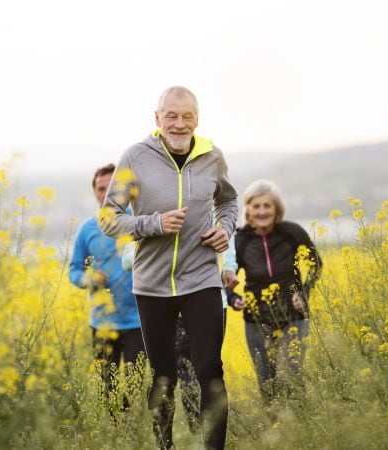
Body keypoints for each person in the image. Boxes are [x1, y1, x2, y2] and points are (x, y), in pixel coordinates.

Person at [99, 86, 237, 450]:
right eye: (171, 116)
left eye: (187, 116)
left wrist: (225, 229)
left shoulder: (212, 156)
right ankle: (166, 447)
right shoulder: (135, 157)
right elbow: (109, 218)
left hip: (202, 279)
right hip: (152, 285)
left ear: (197, 119)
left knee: (210, 370)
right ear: (157, 119)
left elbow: (229, 201)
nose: (179, 124)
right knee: (164, 377)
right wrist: (152, 224)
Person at [222, 179, 322, 403]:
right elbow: (226, 276)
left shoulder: (292, 233)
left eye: (267, 205)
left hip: (292, 316)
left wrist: (303, 293)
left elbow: (316, 264)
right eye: (256, 206)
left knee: (292, 374)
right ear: (248, 209)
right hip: (257, 320)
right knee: (267, 382)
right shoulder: (240, 240)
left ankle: (301, 426)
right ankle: (276, 431)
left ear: (276, 208)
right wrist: (232, 297)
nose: (262, 211)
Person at [122, 241, 230, 435]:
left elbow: (229, 244)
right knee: (164, 377)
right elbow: (127, 258)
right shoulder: (146, 215)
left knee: (208, 371)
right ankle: (168, 442)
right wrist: (157, 245)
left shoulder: (205, 212)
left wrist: (228, 266)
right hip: (158, 296)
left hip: (203, 294)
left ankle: (204, 438)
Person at [69, 164, 144, 407]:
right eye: (101, 189)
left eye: (112, 188)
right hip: (101, 324)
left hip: (138, 322)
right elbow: (74, 270)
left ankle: (131, 437)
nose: (106, 194)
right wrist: (88, 280)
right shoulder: (87, 230)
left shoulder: (139, 222)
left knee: (134, 389)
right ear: (95, 193)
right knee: (107, 392)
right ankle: (117, 437)